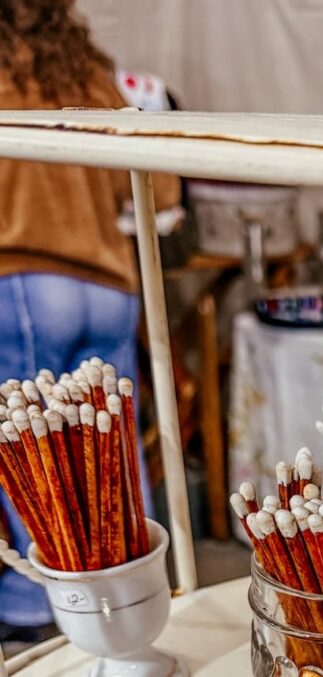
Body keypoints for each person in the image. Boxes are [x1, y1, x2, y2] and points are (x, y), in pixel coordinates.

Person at [0, 0, 179, 641]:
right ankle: (140, 603)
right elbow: (157, 186)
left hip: (24, 282)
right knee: (114, 456)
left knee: (34, 461)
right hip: (109, 283)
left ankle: (34, 607)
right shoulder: (85, 69)